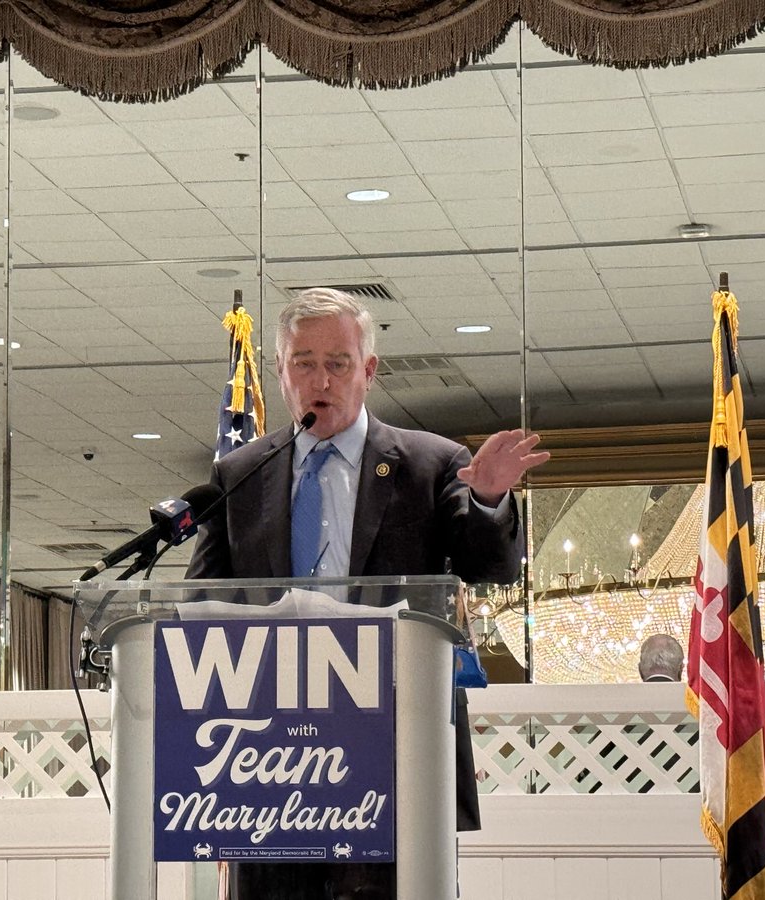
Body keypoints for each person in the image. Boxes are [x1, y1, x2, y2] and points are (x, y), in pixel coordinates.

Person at [186, 287, 549, 900]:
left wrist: (488, 499)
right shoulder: (239, 474)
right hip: (266, 758)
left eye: (338, 363)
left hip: (392, 747)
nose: (320, 379)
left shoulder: (429, 464)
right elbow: (203, 603)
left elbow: (492, 568)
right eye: (303, 362)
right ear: (280, 373)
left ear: (369, 371)